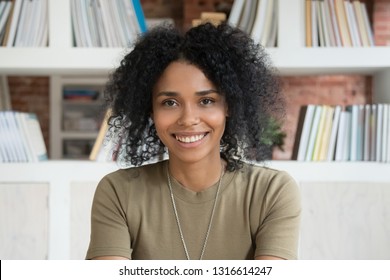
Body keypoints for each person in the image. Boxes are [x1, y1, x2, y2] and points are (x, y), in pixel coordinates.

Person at [86, 22, 301, 260]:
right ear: (151, 111)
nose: (188, 119)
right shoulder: (118, 193)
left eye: (206, 101)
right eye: (170, 102)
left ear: (228, 105)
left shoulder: (272, 192)